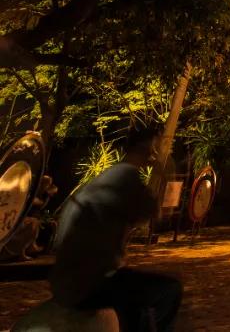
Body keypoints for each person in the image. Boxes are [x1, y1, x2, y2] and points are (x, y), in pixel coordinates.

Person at [50, 124, 182, 331]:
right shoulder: (126, 179)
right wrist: (165, 169)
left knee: (130, 295)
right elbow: (157, 214)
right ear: (150, 146)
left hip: (70, 280)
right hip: (88, 284)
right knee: (168, 291)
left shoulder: (108, 178)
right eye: (159, 143)